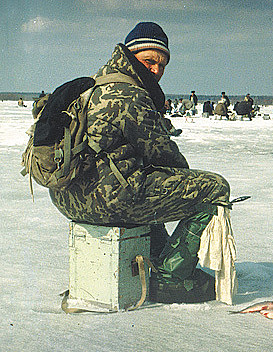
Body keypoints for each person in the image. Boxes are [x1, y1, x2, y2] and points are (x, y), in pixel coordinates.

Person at [48, 22, 237, 304]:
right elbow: (163, 155)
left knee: (144, 183)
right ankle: (169, 278)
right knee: (214, 187)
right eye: (149, 61)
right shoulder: (130, 94)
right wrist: (186, 184)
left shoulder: (92, 84)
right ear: (130, 54)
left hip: (68, 199)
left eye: (162, 65)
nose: (156, 70)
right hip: (109, 202)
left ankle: (154, 256)